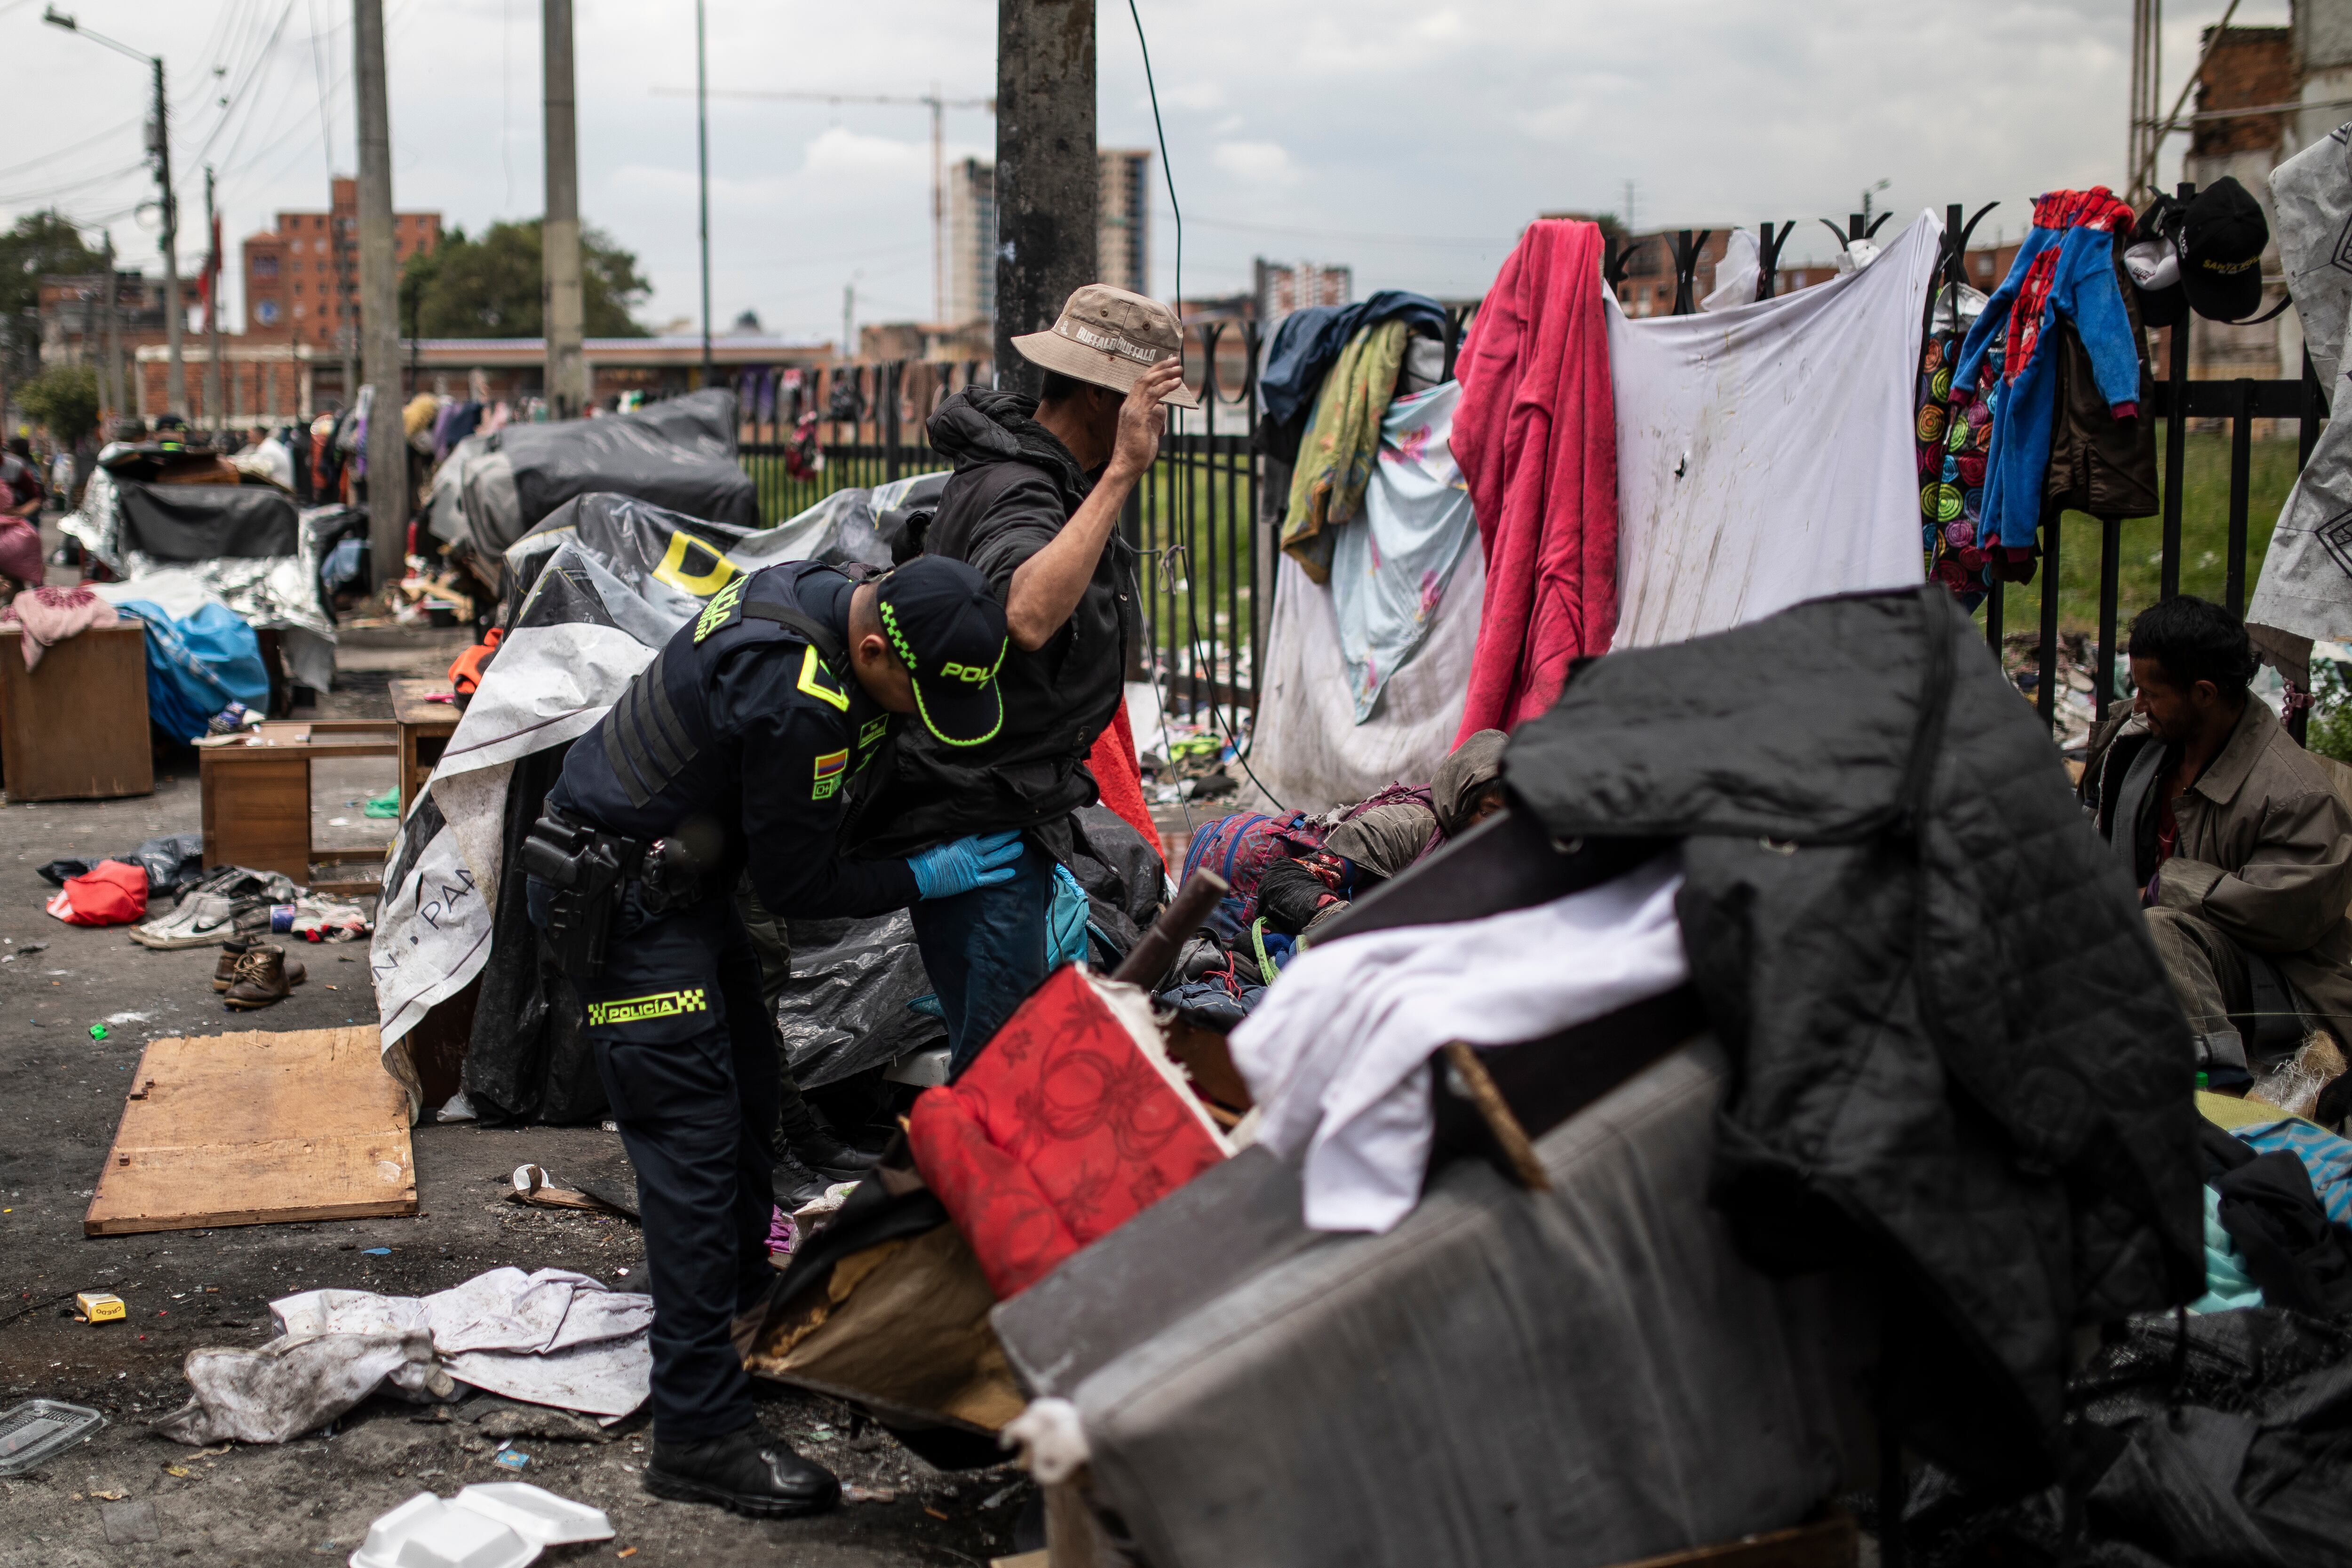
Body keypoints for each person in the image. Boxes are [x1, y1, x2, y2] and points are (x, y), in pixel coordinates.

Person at [522, 554, 1022, 1518]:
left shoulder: (821, 595)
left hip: (676, 883)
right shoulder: (799, 699)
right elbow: (800, 888)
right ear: (873, 646)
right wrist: (934, 872)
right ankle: (698, 1432)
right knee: (693, 1150)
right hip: (622, 903)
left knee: (752, 1097)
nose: (916, 719)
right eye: (911, 697)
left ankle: (742, 1324)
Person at [849, 284, 1195, 1073]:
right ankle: (987, 1192)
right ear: (1112, 403)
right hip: (979, 813)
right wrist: (1122, 478)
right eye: (1152, 410)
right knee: (1004, 1063)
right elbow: (1026, 615)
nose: (1158, 433)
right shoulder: (1022, 488)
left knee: (1012, 1043)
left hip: (1006, 803)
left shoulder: (1024, 470)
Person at [2086, 596, 2352, 1088]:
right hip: (2147, 960)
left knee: (2160, 927)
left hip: (2273, 989)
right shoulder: (2139, 747)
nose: (2137, 704)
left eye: (2150, 692)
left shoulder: (2296, 794)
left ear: (2203, 694)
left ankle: (2214, 1082)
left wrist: (2160, 891)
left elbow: (2286, 914)